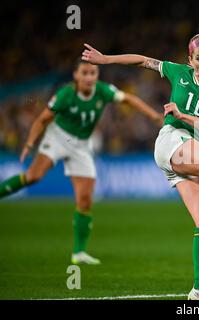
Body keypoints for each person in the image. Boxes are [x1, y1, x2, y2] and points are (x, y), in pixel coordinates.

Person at [81, 25, 199, 300]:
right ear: (189, 60)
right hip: (172, 141)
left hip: (186, 149)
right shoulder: (177, 72)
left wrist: (183, 114)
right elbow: (143, 60)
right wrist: (107, 59)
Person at [0, 59, 162, 265]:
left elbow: (129, 99)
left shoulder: (103, 91)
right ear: (76, 76)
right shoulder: (65, 94)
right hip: (58, 137)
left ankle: (79, 253)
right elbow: (42, 119)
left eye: (93, 73)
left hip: (81, 146)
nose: (89, 77)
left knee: (85, 199)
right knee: (33, 176)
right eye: (84, 73)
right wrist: (29, 144)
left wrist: (154, 116)